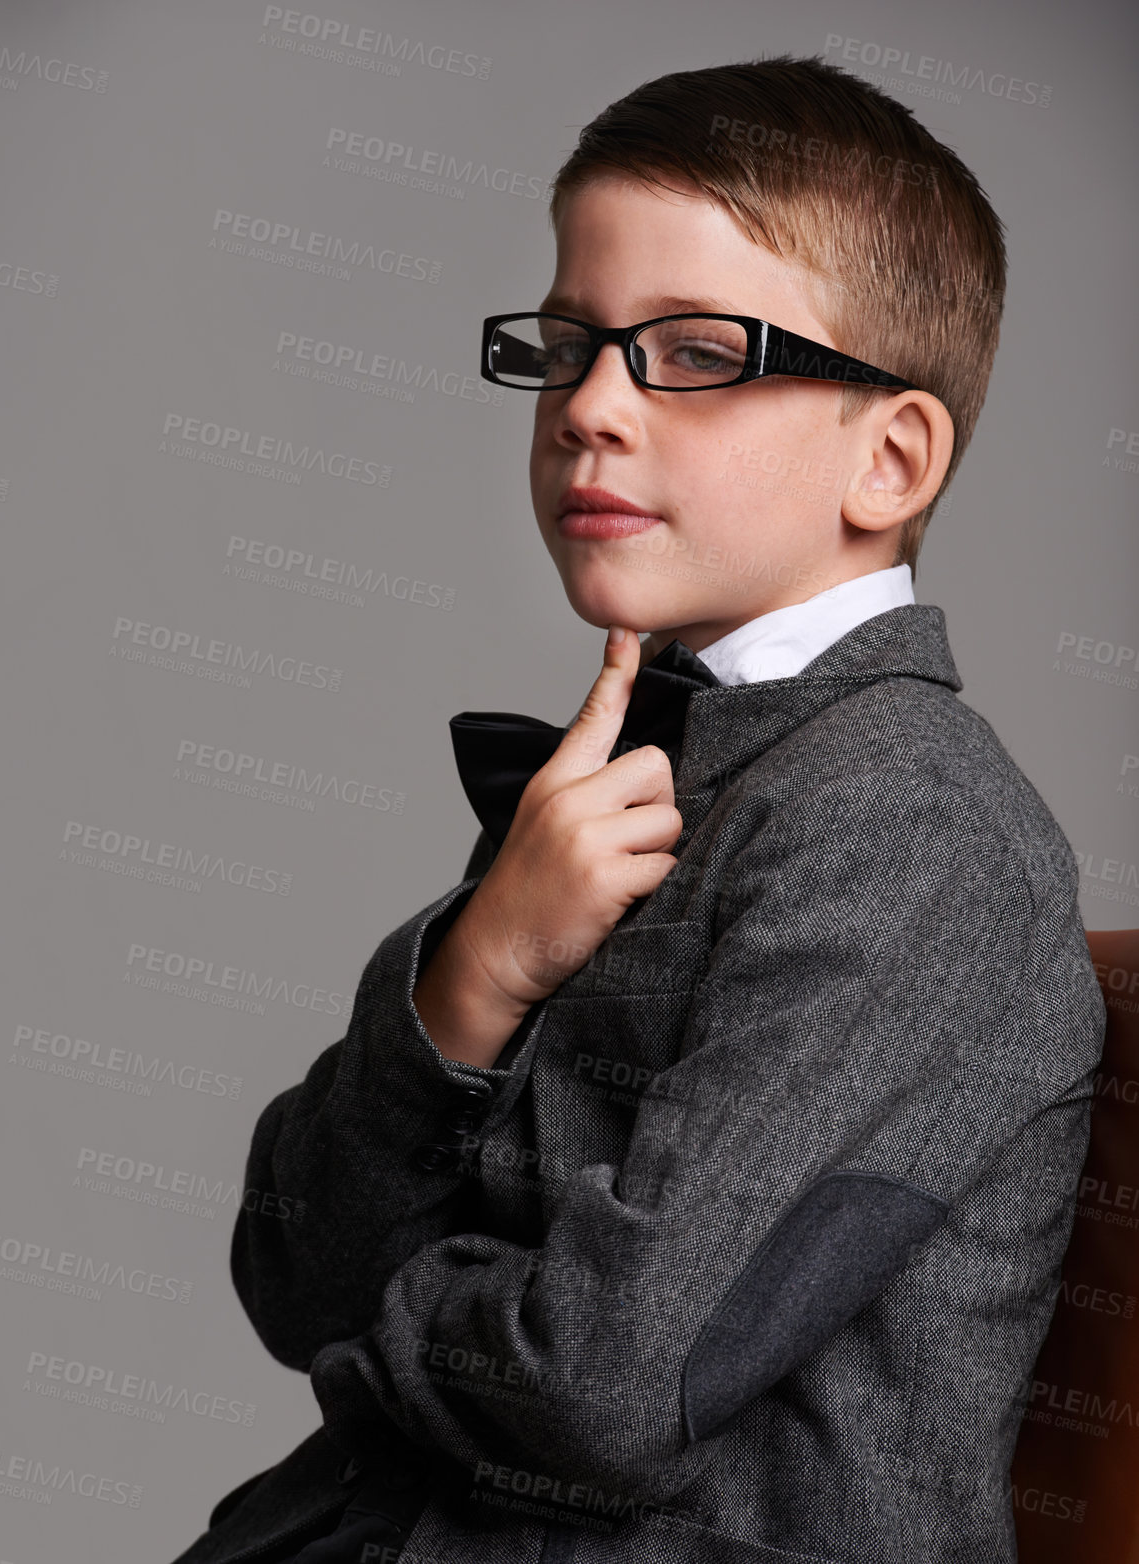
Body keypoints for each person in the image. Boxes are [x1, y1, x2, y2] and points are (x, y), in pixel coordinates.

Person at [170, 53, 1106, 1564]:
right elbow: (287, 1263)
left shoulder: (911, 829)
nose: (588, 406)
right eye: (569, 345)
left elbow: (605, 1381)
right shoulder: (608, 784)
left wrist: (375, 1332)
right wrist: (476, 970)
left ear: (890, 455)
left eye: (690, 352)